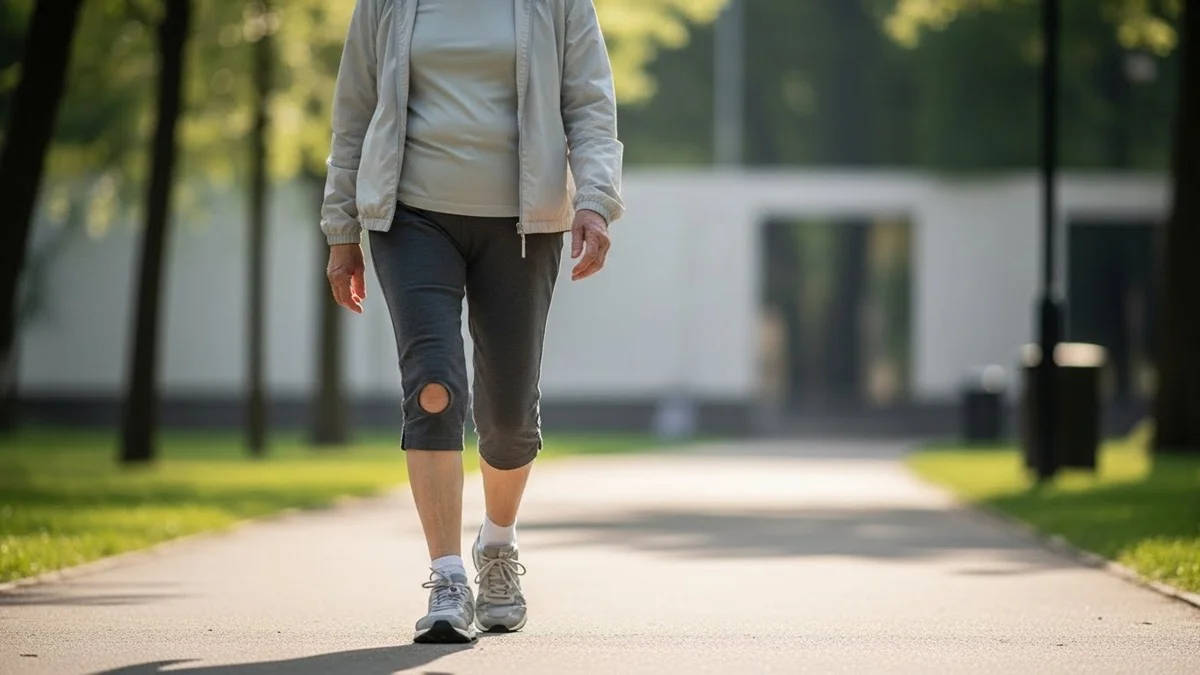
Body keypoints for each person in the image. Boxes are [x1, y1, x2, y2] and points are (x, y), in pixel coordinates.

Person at [320, 0, 623, 644]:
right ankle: (447, 577)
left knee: (508, 417)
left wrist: (594, 200)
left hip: (525, 223)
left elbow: (590, 105)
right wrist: (342, 226)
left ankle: (497, 546)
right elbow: (353, 114)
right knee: (433, 389)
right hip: (410, 217)